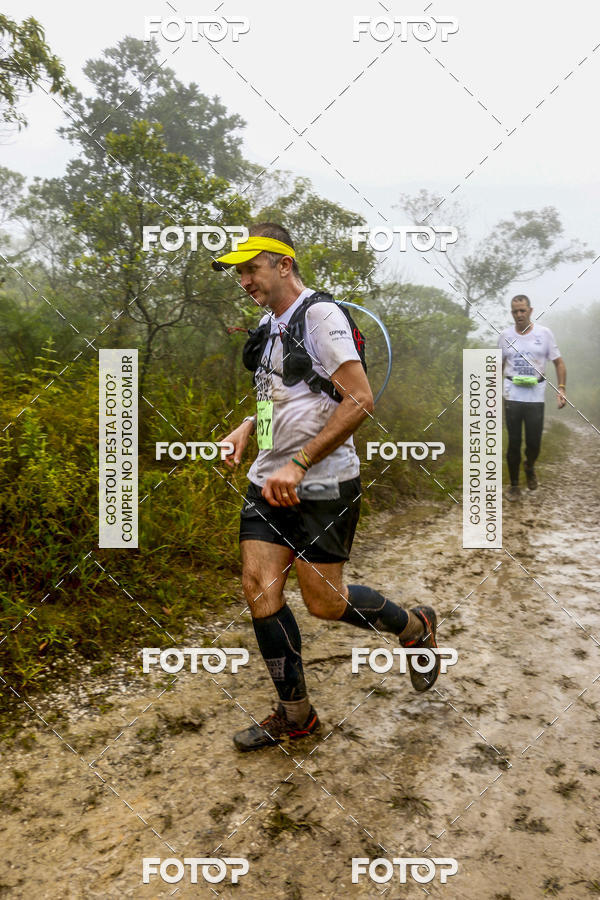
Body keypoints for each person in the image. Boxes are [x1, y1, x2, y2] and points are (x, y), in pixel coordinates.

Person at [215, 222, 441, 752]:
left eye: (252, 268)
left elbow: (359, 398)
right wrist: (252, 430)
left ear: (284, 264)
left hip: (323, 484)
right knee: (258, 588)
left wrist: (299, 462)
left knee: (324, 603)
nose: (244, 279)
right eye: (239, 272)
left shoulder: (320, 315)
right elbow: (280, 401)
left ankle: (414, 626)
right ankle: (296, 716)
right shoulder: (268, 327)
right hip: (268, 482)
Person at [498, 294, 567, 501]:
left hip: (535, 395)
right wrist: (490, 392)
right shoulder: (504, 336)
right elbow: (497, 366)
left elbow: (559, 363)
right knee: (514, 441)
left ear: (530, 311)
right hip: (511, 393)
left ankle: (529, 466)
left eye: (522, 310)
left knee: (534, 442)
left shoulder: (544, 334)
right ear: (512, 313)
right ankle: (514, 486)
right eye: (515, 311)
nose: (519, 314)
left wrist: (561, 388)